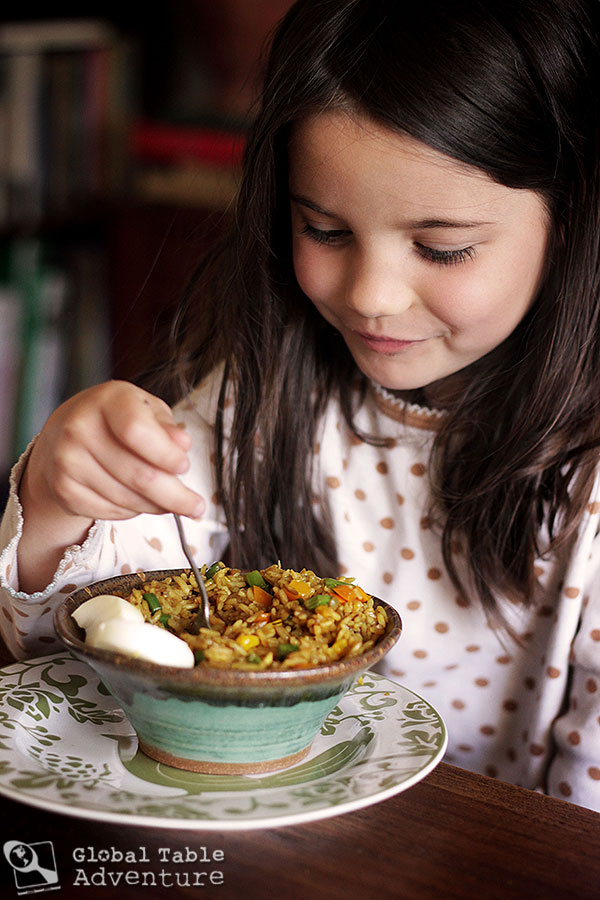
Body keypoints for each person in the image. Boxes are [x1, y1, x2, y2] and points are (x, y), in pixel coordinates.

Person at [0, 0, 599, 810]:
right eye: (326, 230)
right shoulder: (255, 401)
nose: (372, 296)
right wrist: (57, 504)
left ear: (573, 221)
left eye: (442, 248)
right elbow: (75, 666)